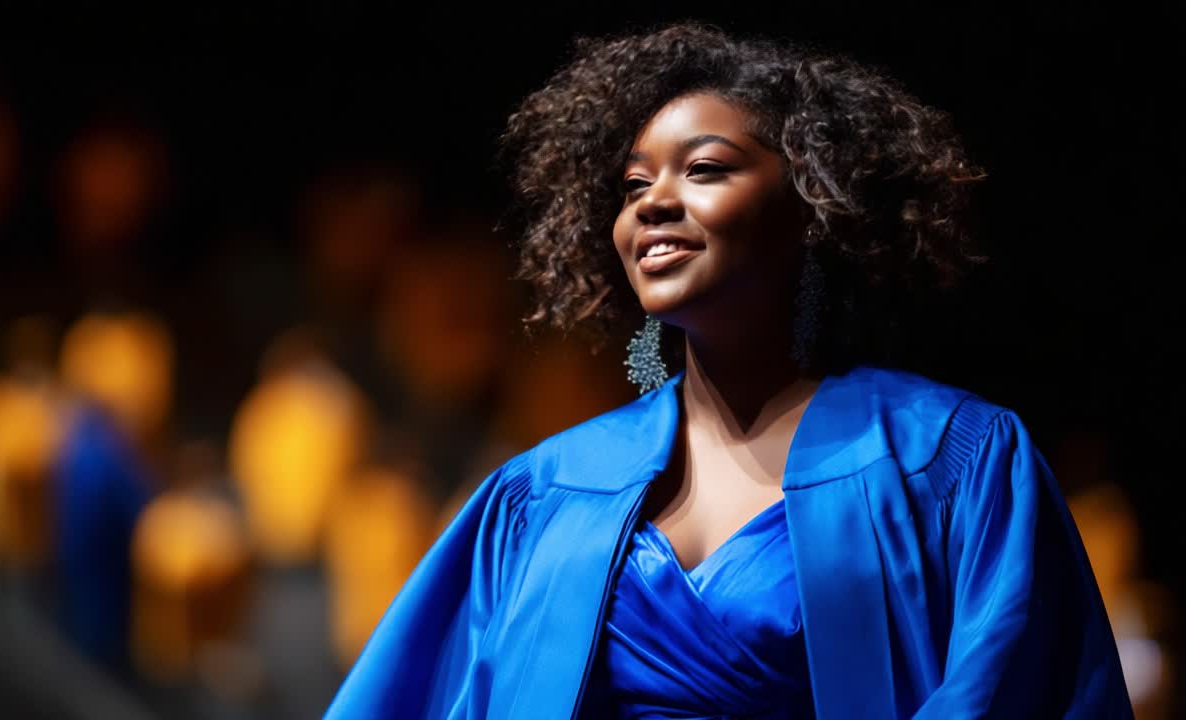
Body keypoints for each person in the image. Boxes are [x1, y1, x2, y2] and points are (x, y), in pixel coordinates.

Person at [323, 23, 1133, 719]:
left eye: (704, 170)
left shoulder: (949, 460)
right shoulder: (546, 492)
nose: (652, 203)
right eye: (635, 185)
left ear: (816, 206)